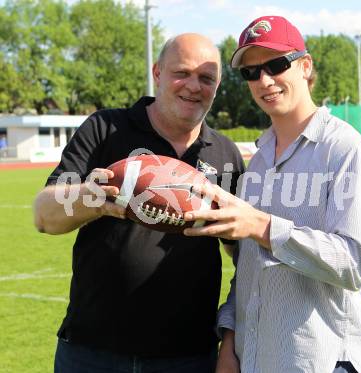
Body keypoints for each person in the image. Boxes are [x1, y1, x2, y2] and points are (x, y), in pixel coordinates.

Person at [33, 33, 245, 373]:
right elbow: (44, 216)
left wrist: (231, 341)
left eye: (206, 78)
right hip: (92, 352)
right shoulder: (106, 129)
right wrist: (96, 199)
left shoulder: (225, 154)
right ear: (157, 73)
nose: (193, 86)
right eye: (182, 73)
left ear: (217, 86)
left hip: (188, 357)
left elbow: (242, 255)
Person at [183, 16, 361, 373]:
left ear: (305, 66)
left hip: (320, 362)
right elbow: (248, 269)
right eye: (251, 72)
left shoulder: (345, 150)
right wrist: (229, 338)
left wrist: (262, 226)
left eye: (276, 65)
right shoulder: (258, 161)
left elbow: (354, 264)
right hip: (255, 359)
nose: (265, 80)